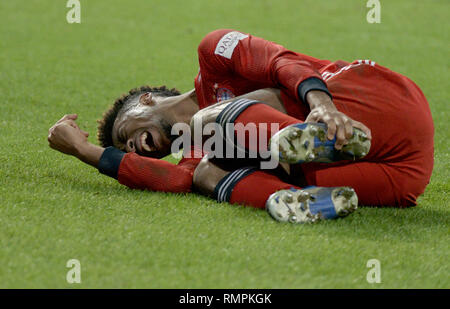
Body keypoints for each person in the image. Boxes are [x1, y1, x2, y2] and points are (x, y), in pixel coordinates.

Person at [48, 29, 434, 223]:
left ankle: (310, 137)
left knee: (209, 120)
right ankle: (284, 199)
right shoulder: (196, 152)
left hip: (371, 101)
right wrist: (86, 152)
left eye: (123, 136)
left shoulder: (213, 54)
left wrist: (322, 105)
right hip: (402, 174)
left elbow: (281, 63)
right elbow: (176, 181)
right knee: (203, 171)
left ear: (143, 101)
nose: (130, 148)